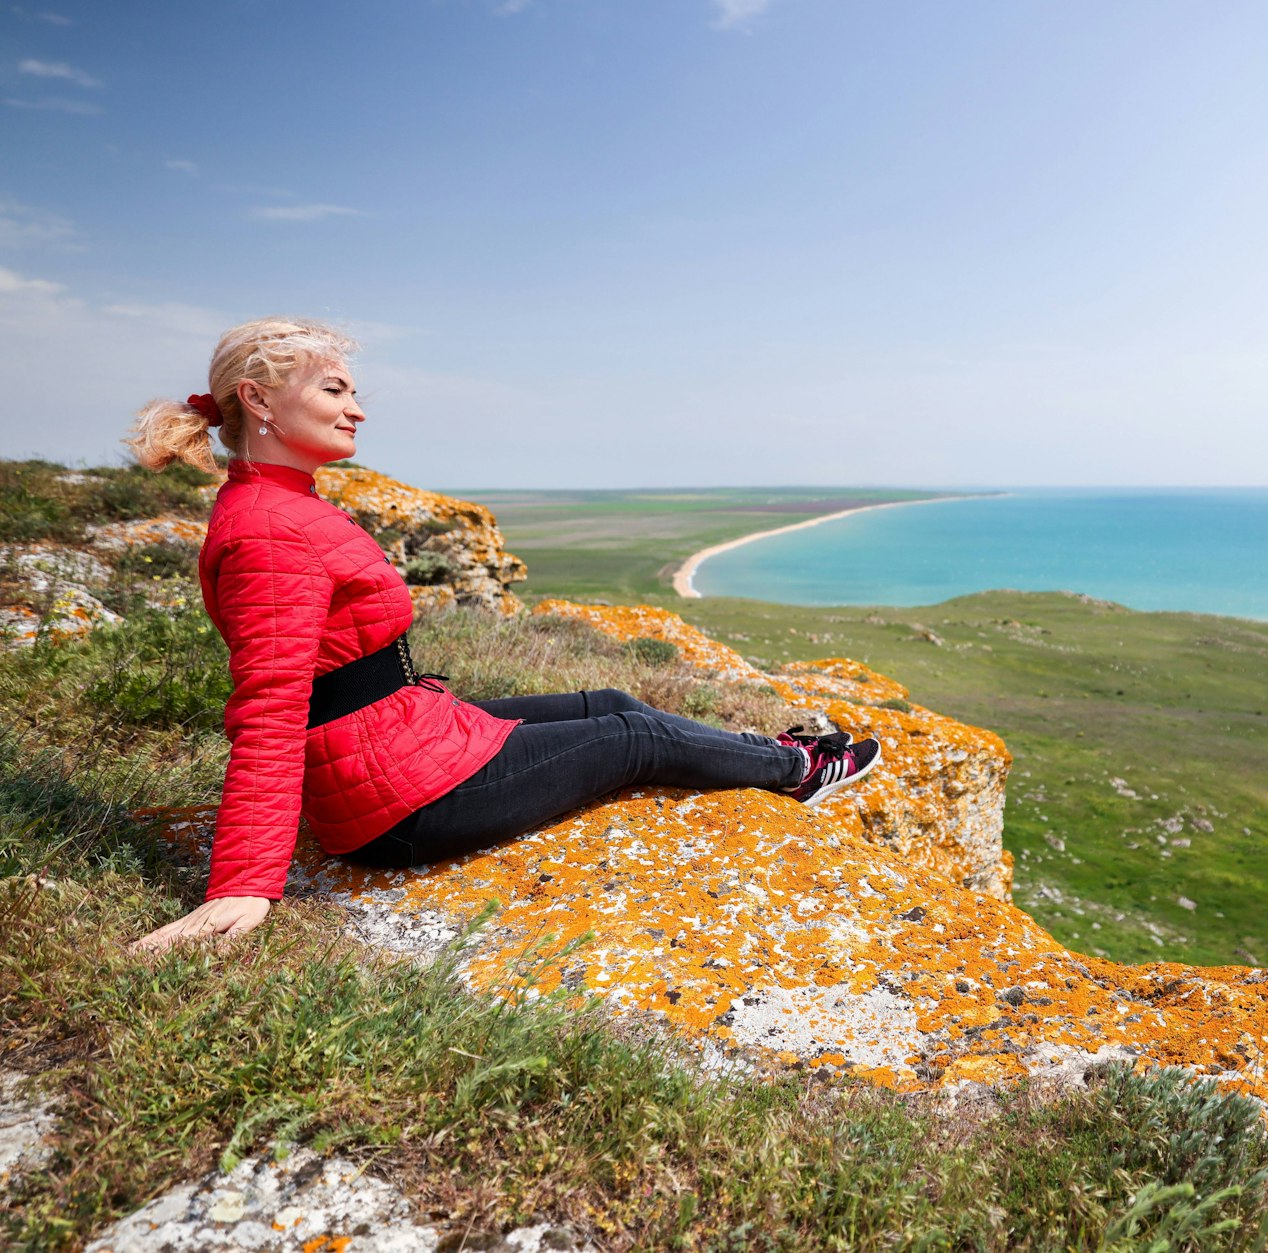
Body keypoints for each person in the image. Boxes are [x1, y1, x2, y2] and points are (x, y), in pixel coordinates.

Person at [124, 318, 880, 955]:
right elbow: (271, 704)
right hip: (399, 806)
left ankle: (762, 753)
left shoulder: (282, 504)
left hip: (399, 738)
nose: (355, 409)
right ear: (256, 399)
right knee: (629, 737)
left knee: (610, 698)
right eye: (334, 389)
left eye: (354, 391)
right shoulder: (269, 532)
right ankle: (795, 768)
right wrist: (245, 882)